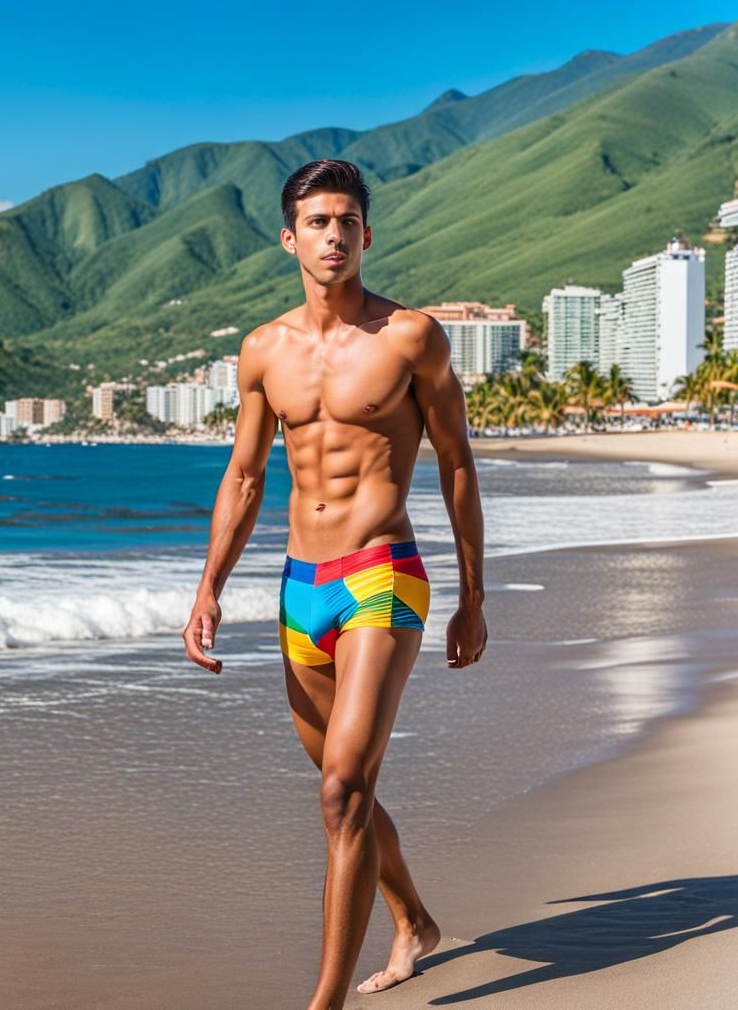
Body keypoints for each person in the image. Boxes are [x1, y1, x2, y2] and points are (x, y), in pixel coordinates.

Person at [182, 158, 487, 1009]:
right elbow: (244, 478)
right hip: (299, 588)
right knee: (344, 790)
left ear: (367, 234)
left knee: (342, 787)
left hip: (384, 574)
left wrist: (474, 595)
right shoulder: (263, 351)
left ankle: (323, 1004)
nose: (334, 235)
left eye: (348, 220)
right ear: (290, 238)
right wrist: (209, 587)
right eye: (317, 222)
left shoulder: (411, 338)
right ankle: (415, 921)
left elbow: (458, 465)